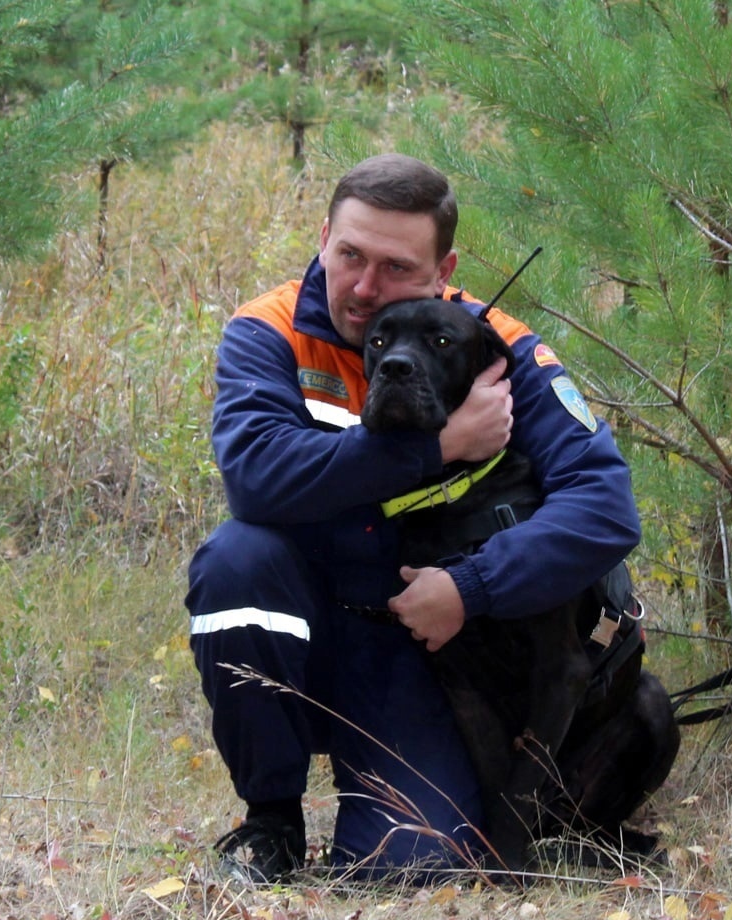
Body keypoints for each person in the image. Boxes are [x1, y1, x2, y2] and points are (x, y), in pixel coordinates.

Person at [185, 154, 641, 883]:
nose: (366, 289)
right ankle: (271, 821)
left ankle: (395, 801)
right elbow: (256, 479)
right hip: (303, 621)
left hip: (413, 654)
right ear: (324, 235)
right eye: (349, 256)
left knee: (410, 868)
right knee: (236, 561)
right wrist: (437, 446)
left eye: (396, 268)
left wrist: (472, 589)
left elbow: (605, 508)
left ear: (443, 267)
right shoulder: (267, 331)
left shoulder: (496, 348)